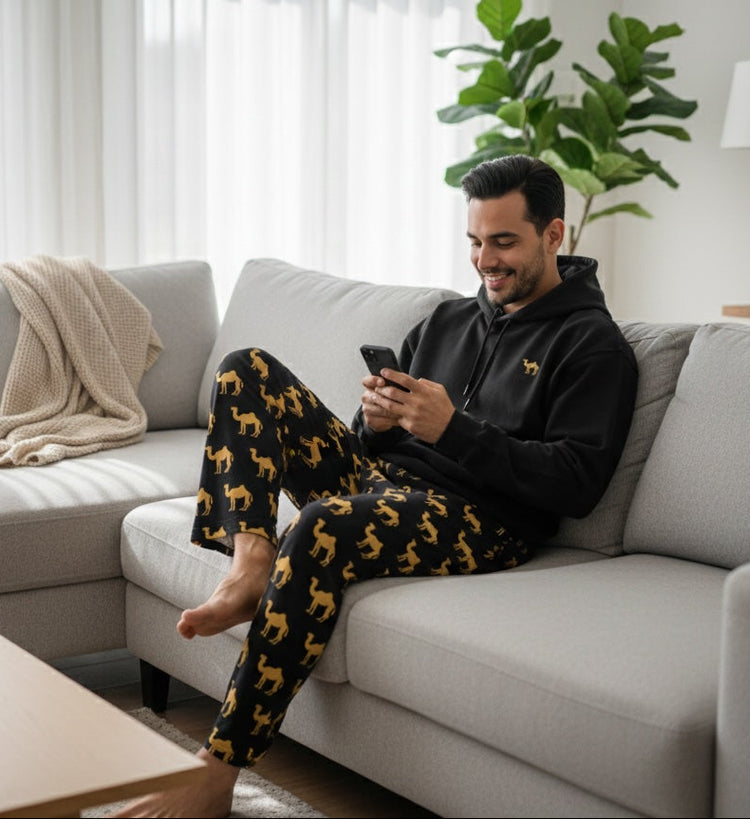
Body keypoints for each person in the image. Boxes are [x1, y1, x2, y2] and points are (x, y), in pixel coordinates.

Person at [113, 155, 638, 818]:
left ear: (554, 235)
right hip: (388, 482)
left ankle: (219, 766)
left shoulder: (592, 345)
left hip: (483, 518)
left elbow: (576, 483)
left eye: (504, 242)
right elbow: (367, 445)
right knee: (245, 370)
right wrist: (381, 421)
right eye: (475, 242)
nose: (485, 260)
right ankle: (251, 559)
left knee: (323, 523)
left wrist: (454, 431)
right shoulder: (448, 320)